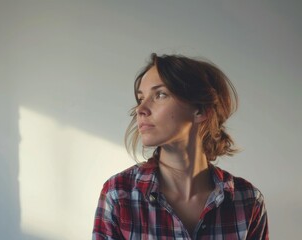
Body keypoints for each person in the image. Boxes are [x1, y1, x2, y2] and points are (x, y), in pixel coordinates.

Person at [92, 53, 268, 239]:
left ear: (200, 109)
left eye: (160, 94)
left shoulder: (247, 201)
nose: (140, 109)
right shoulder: (119, 195)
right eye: (140, 98)